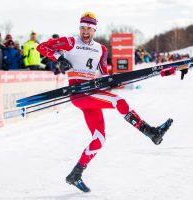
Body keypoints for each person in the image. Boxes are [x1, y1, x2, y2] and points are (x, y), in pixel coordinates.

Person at [36, 12, 173, 192]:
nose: (85, 32)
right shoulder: (70, 42)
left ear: (94, 29)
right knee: (119, 101)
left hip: (91, 92)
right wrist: (60, 59)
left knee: (99, 139)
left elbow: (102, 75)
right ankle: (150, 132)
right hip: (78, 93)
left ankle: (76, 174)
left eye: (89, 29)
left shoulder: (101, 49)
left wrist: (113, 80)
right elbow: (42, 47)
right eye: (82, 28)